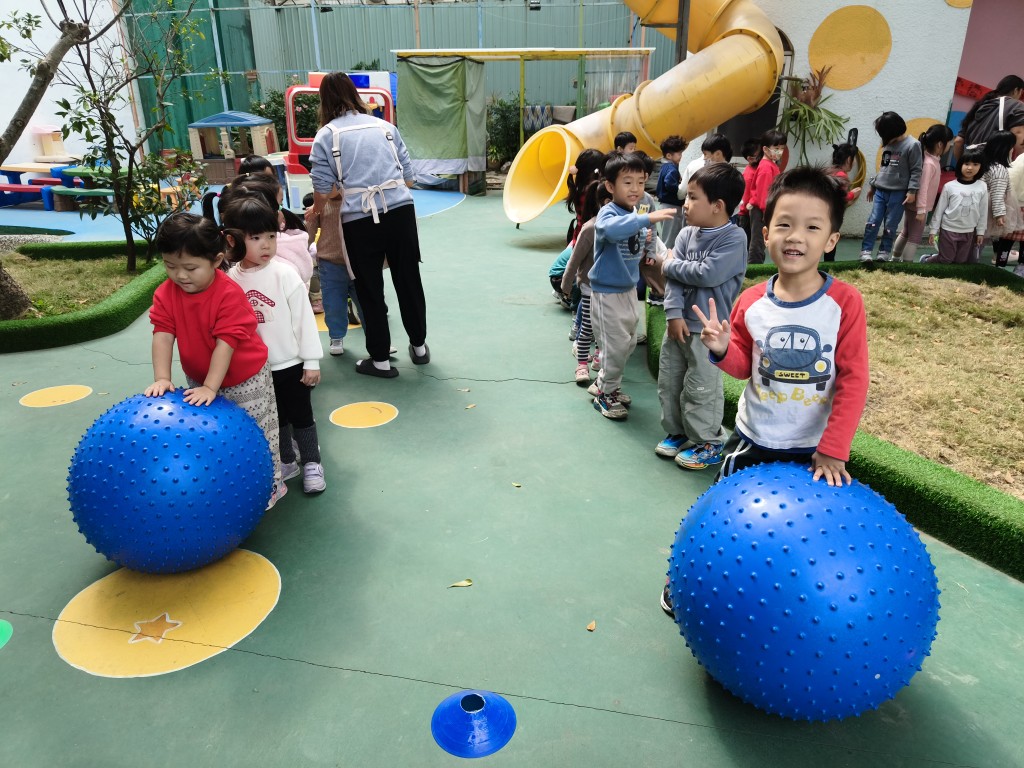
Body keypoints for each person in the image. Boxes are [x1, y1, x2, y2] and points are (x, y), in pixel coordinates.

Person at [660, 166, 869, 618]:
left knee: (807, 536)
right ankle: (689, 580)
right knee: (719, 515)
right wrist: (721, 349)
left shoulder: (844, 303)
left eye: (812, 227)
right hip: (753, 440)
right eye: (785, 224)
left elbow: (854, 379)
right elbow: (743, 367)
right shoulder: (753, 300)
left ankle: (800, 607)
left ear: (831, 240)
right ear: (767, 233)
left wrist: (834, 449)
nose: (796, 236)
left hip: (813, 451)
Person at [144, 212, 286, 509]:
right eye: (170, 265)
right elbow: (163, 335)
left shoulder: (228, 294)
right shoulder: (166, 294)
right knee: (211, 435)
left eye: (190, 268)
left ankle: (272, 483)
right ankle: (223, 483)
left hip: (245, 378)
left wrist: (211, 387)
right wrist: (162, 377)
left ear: (217, 260)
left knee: (256, 432)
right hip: (199, 379)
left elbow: (226, 344)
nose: (180, 275)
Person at [309, 72, 428, 378]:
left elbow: (323, 189)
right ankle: (419, 347)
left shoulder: (326, 136)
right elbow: (409, 178)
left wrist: (318, 208)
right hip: (400, 211)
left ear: (324, 100)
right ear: (354, 94)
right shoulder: (385, 127)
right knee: (408, 279)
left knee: (368, 287)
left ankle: (381, 360)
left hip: (359, 218)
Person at [222, 195, 327, 494]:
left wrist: (311, 361)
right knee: (275, 418)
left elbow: (304, 320)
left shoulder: (285, 274)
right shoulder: (231, 280)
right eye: (255, 238)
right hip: (257, 370)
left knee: (302, 416)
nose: (266, 245)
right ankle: (287, 461)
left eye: (271, 236)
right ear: (233, 240)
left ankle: (312, 462)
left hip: (291, 363)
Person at [655, 162, 747, 468]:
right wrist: (673, 313)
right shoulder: (685, 234)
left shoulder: (734, 238)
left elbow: (707, 273)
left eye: (693, 197)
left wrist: (668, 264)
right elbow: (675, 282)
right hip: (679, 324)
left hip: (709, 331)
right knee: (670, 380)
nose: (685, 203)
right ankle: (678, 431)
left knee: (701, 386)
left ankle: (708, 440)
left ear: (717, 206)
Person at [586, 152, 676, 419]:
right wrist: (645, 220)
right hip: (607, 293)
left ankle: (605, 384)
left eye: (640, 182)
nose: (635, 188)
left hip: (627, 290)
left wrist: (649, 249)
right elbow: (611, 230)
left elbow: (646, 234)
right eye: (627, 182)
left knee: (627, 344)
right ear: (610, 186)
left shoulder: (636, 212)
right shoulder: (608, 213)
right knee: (614, 347)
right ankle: (605, 394)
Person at [561, 180, 611, 386]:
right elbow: (575, 260)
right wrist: (566, 286)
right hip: (590, 286)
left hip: (609, 289)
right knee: (588, 327)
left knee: (604, 327)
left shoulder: (621, 227)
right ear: (606, 202)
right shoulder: (590, 228)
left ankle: (599, 354)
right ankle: (582, 364)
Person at [860, 112, 923, 263]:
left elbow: (916, 170)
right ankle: (865, 251)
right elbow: (884, 168)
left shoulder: (913, 145)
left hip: (898, 193)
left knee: (891, 224)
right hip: (881, 190)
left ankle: (884, 252)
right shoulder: (888, 144)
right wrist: (873, 185)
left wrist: (912, 191)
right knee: (873, 221)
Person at [921, 146, 989, 263]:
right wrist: (933, 230)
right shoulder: (950, 186)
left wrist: (980, 232)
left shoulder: (982, 186)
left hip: (969, 230)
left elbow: (983, 211)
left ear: (981, 167)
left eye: (975, 164)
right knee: (946, 259)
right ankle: (927, 260)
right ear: (960, 165)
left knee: (960, 261)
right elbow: (939, 210)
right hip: (948, 229)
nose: (970, 168)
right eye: (966, 164)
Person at [892, 125, 948, 263]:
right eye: (949, 143)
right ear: (940, 144)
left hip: (916, 205)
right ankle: (907, 263)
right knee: (915, 237)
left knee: (906, 232)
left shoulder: (928, 159)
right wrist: (922, 210)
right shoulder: (929, 163)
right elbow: (922, 188)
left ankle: (895, 258)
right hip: (919, 207)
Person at [979, 131, 1024, 265]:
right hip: (1009, 206)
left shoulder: (987, 163)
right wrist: (1000, 213)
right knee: (1001, 239)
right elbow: (998, 193)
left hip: (987, 206)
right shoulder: (1000, 169)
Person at [955, 75, 1024, 159]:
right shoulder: (1016, 106)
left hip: (970, 162)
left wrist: (963, 164)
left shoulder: (979, 107)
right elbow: (1018, 135)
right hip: (993, 161)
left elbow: (958, 141)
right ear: (1016, 90)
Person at [745, 129, 787, 264]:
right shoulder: (766, 168)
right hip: (761, 210)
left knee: (758, 241)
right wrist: (766, 213)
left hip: (762, 209)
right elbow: (763, 194)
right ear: (765, 149)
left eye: (782, 148)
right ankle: (754, 268)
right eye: (776, 148)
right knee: (758, 242)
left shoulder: (769, 165)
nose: (780, 151)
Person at [823, 142, 863, 261]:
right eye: (853, 159)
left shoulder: (829, 171)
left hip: (823, 211)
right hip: (833, 214)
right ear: (849, 159)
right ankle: (829, 264)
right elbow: (843, 197)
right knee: (831, 238)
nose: (854, 163)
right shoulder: (841, 175)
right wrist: (853, 194)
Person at [655, 135, 687, 248]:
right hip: (671, 206)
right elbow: (669, 183)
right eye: (679, 154)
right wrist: (680, 190)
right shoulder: (672, 168)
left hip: (664, 205)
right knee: (671, 239)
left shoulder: (665, 167)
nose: (681, 156)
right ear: (669, 155)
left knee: (666, 236)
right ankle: (668, 258)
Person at [737, 137, 760, 241]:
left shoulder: (756, 169)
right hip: (745, 215)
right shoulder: (749, 174)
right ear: (750, 158)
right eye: (760, 154)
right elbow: (746, 198)